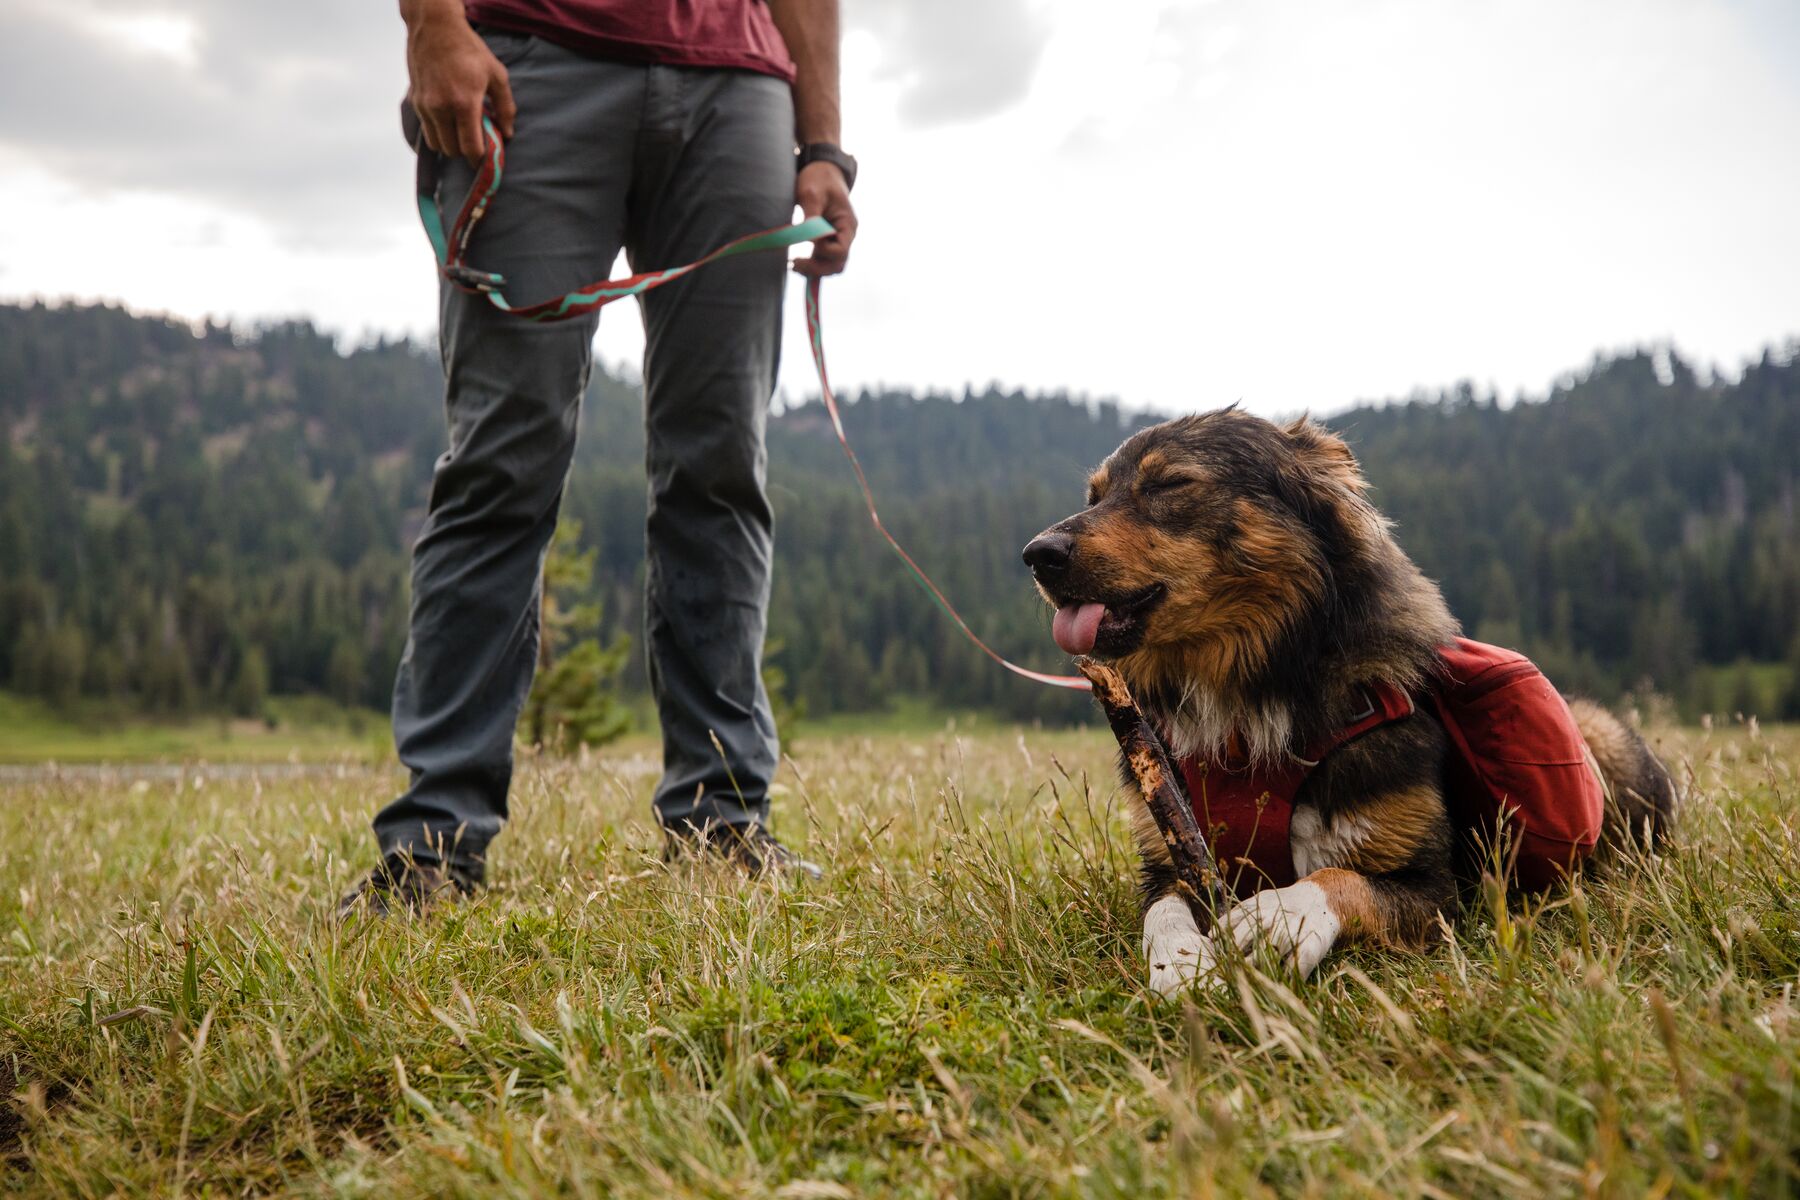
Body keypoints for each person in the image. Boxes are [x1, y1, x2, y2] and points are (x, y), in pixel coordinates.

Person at [341, 0, 857, 914]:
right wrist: (433, 27)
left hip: (738, 84)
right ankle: (433, 845)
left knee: (722, 469)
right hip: (529, 64)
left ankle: (722, 823)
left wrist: (824, 145)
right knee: (500, 465)